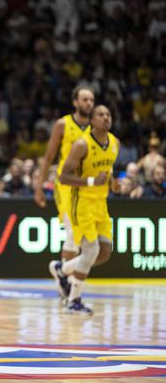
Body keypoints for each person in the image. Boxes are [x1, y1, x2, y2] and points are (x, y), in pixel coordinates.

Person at [54, 105, 120, 315]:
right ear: (92, 120)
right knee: (91, 251)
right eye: (101, 115)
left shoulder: (115, 143)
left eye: (108, 114)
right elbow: (63, 177)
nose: (106, 118)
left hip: (101, 203)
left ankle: (61, 269)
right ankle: (74, 300)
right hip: (80, 202)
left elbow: (107, 172)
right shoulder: (82, 145)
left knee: (105, 253)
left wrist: (114, 184)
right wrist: (92, 181)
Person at [34, 85, 95, 302]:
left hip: (86, 188)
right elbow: (49, 156)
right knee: (72, 235)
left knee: (80, 240)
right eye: (85, 99)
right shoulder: (63, 124)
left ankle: (62, 273)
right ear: (75, 102)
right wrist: (39, 186)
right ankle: (66, 282)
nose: (89, 103)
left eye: (91, 100)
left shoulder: (94, 128)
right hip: (65, 186)